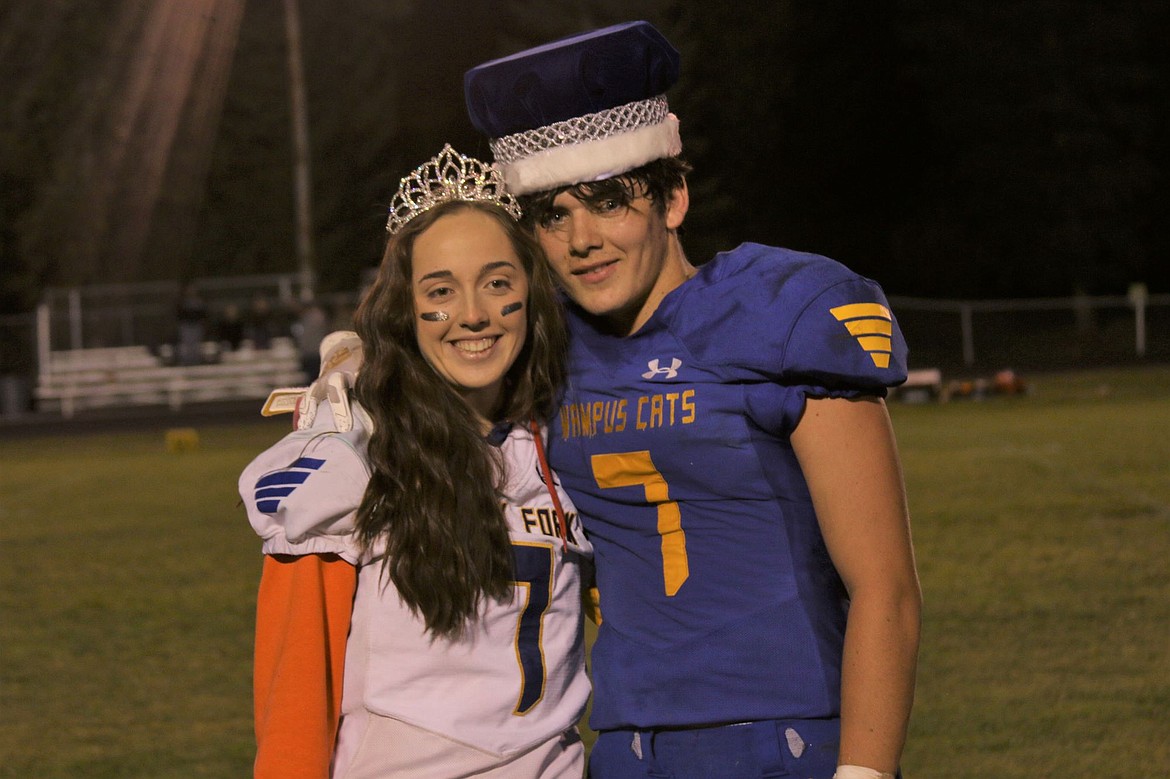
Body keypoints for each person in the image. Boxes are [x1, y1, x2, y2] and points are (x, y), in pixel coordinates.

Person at [461, 21, 922, 779]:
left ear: (673, 197)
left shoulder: (780, 312)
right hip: (624, 743)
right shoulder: (543, 349)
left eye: (609, 200)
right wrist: (355, 368)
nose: (582, 238)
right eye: (554, 213)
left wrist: (864, 772)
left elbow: (887, 586)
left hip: (783, 736)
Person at [238, 145, 592, 779]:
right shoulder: (356, 452)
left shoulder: (564, 443)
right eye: (440, 291)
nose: (474, 314)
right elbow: (296, 688)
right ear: (407, 308)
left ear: (531, 295)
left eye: (497, 283)